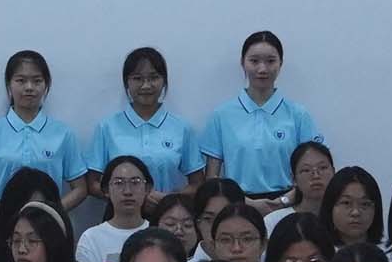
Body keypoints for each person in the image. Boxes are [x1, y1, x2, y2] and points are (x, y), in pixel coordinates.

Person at [203, 28, 321, 196]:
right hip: (237, 204)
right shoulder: (221, 116)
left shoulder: (298, 115)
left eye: (271, 61)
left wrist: (284, 201)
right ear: (242, 63)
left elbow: (313, 171)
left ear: (281, 63)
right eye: (254, 61)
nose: (262, 69)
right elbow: (211, 178)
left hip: (288, 202)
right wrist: (244, 202)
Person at [0, 52, 78, 203]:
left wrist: (54, 210)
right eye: (21, 80)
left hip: (48, 217)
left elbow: (80, 188)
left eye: (37, 81)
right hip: (3, 216)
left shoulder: (63, 133)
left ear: (46, 85)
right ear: (9, 84)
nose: (29, 87)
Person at [88, 45, 197, 193]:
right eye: (137, 78)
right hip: (119, 208)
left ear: (164, 81)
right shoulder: (107, 127)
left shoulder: (182, 128)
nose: (146, 85)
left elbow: (197, 184)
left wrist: (168, 200)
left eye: (154, 77)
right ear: (127, 83)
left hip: (165, 207)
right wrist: (126, 197)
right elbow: (92, 184)